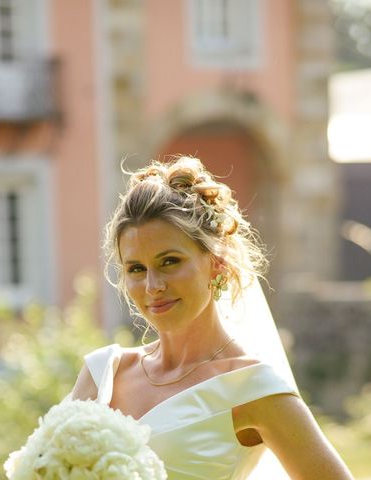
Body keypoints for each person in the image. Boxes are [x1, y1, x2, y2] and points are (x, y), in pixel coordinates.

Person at [71, 156, 354, 479]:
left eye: (170, 261)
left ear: (217, 262)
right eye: (136, 269)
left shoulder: (251, 387)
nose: (153, 286)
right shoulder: (103, 371)